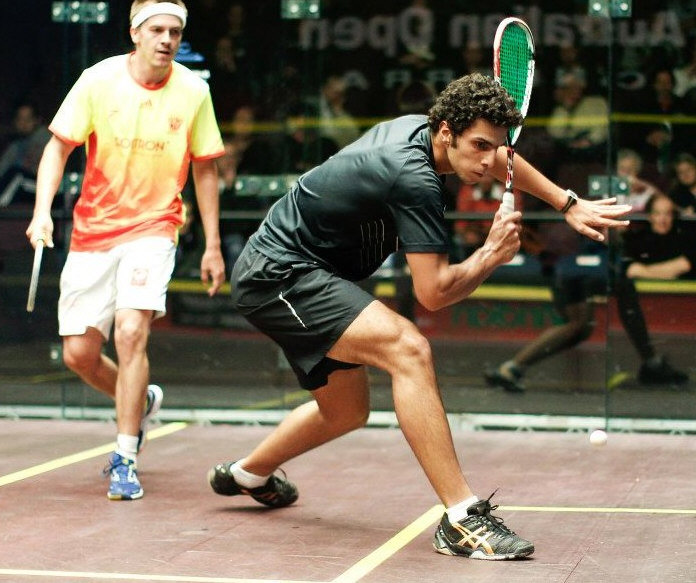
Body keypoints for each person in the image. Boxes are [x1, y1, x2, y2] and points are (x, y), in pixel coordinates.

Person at [206, 73, 631, 560]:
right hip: (278, 275)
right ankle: (462, 519)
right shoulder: (412, 176)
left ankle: (247, 474)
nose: (488, 160)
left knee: (346, 412)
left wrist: (565, 202)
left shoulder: (428, 132)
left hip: (313, 272)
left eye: (495, 146)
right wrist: (491, 255)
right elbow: (434, 293)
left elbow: (500, 158)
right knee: (408, 348)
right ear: (447, 132)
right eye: (479, 146)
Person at [25, 0, 226, 501]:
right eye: (157, 29)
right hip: (94, 229)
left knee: (132, 331)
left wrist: (213, 245)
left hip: (155, 228)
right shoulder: (97, 80)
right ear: (135, 33)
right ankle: (141, 400)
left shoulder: (194, 91)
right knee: (78, 354)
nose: (167, 39)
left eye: (175, 31)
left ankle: (125, 456)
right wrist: (42, 211)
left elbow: (205, 168)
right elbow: (58, 147)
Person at [485, 194, 689, 393]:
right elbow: (626, 269)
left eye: (667, 214)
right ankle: (511, 368)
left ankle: (512, 368)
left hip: (581, 278)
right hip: (570, 279)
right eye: (658, 213)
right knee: (578, 326)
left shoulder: (627, 241)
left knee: (584, 326)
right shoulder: (588, 239)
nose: (663, 219)